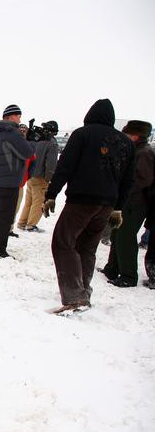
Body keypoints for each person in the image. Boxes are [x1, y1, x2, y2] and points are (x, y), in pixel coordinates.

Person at [43, 99, 136, 312]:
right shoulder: (126, 143)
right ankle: (83, 291)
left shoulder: (82, 134)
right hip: (107, 204)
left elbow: (65, 166)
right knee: (87, 247)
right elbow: (128, 179)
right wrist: (118, 207)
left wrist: (51, 194)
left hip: (81, 200)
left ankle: (75, 297)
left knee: (63, 242)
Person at [100, 120, 154, 287]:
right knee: (117, 234)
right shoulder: (136, 150)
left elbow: (143, 179)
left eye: (127, 134)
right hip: (127, 201)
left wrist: (123, 189)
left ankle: (128, 276)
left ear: (135, 136)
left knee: (125, 237)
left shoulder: (144, 153)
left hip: (135, 203)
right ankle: (112, 269)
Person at [0, 104, 35, 257]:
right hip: (9, 179)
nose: (20, 119)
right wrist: (31, 141)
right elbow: (27, 152)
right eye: (18, 116)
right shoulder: (12, 133)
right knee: (6, 216)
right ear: (11, 116)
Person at [17, 120, 60, 232]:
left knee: (28, 202)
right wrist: (48, 179)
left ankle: (22, 223)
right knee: (39, 202)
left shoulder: (36, 139)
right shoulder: (52, 143)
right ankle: (31, 225)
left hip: (30, 175)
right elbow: (51, 164)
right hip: (41, 177)